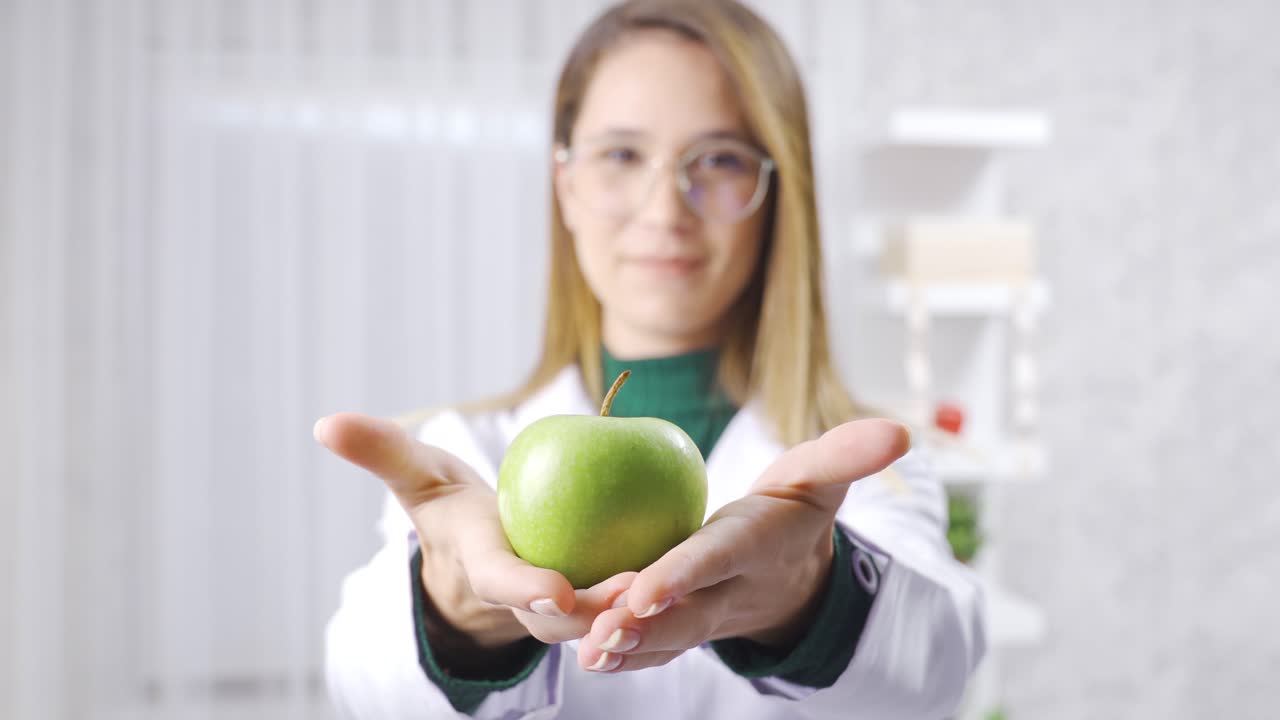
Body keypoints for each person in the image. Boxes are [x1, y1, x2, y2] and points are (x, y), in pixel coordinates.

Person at [315, 1, 985, 717]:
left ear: (776, 195)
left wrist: (807, 596)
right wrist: (451, 610)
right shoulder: (465, 454)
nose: (666, 209)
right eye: (622, 155)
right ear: (565, 183)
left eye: (721, 159)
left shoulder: (858, 470)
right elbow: (365, 689)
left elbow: (937, 668)